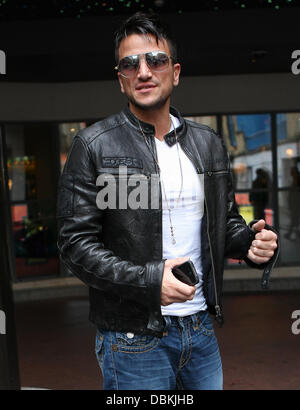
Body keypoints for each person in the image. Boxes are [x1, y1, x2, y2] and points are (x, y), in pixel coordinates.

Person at [56, 12, 278, 390]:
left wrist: (249, 244)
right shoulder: (94, 145)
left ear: (174, 73)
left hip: (200, 330)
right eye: (130, 64)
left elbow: (223, 222)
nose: (143, 71)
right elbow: (74, 246)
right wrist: (149, 281)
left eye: (155, 60)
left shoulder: (208, 143)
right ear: (120, 78)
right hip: (132, 339)